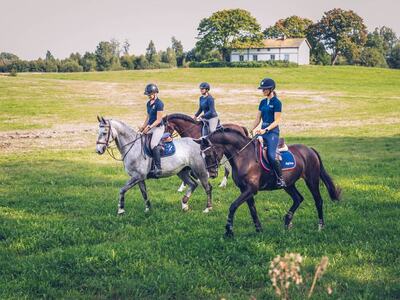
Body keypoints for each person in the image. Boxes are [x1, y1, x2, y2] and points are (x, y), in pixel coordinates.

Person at [251, 78, 286, 188]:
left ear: (271, 89)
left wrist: (265, 130)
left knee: (271, 155)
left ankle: (281, 179)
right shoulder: (262, 102)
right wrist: (251, 129)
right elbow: (258, 119)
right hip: (262, 131)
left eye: (264, 89)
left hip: (272, 133)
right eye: (262, 89)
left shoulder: (277, 102)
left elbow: (277, 121)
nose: (263, 91)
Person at [140, 83, 165, 177]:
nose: (148, 96)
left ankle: (158, 168)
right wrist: (143, 127)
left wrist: (149, 127)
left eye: (150, 94)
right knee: (141, 139)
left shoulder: (159, 103)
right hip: (150, 126)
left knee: (153, 144)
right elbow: (148, 117)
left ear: (155, 93)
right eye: (148, 95)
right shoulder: (148, 103)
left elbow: (158, 120)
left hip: (158, 127)